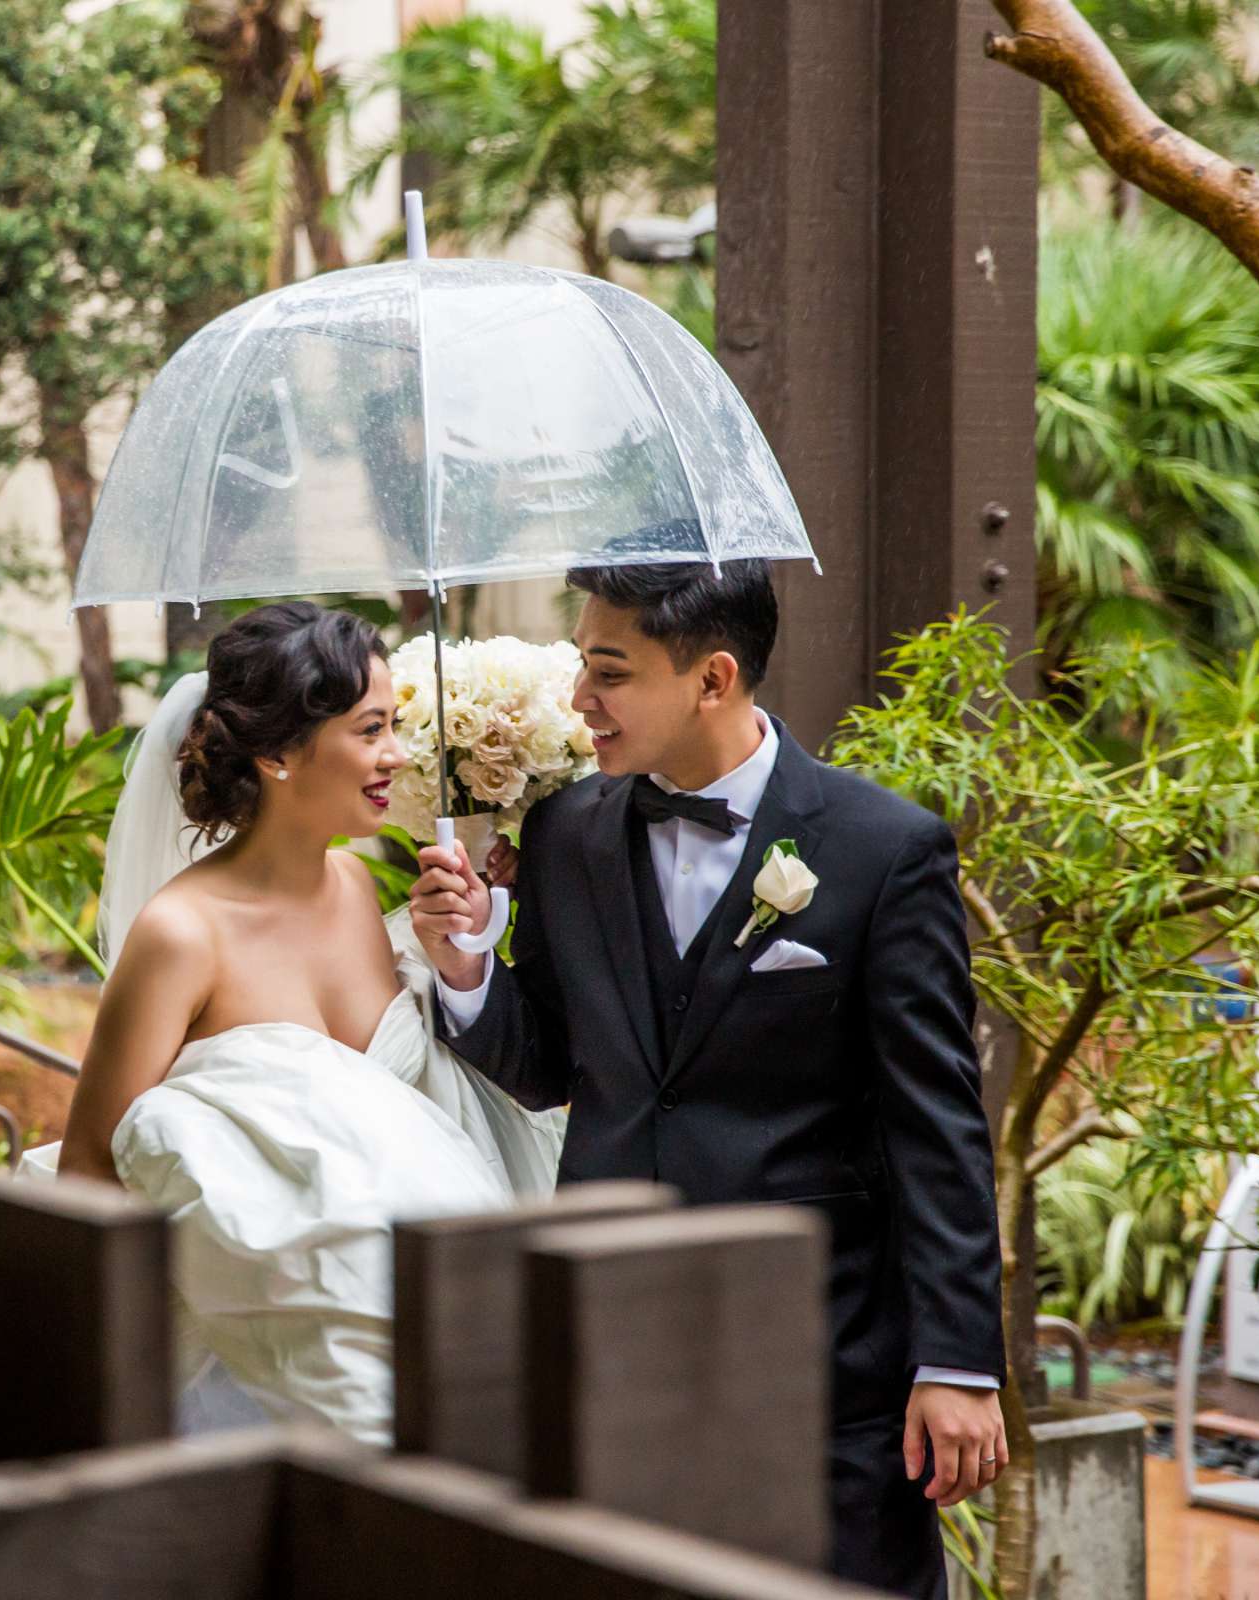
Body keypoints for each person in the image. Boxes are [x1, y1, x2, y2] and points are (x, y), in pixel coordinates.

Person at [410, 560, 1005, 1600]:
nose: (580, 702)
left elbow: (937, 1125)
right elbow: (552, 1065)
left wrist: (956, 1363)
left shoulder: (883, 850)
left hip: (822, 1364)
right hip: (610, 1349)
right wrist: (465, 968)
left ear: (713, 678)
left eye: (609, 672)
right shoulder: (565, 832)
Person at [34, 601, 563, 1444]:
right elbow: (92, 1168)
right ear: (278, 753)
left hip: (425, 1311)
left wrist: (462, 946)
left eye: (394, 726)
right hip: (258, 1361)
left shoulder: (358, 888)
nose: (397, 754)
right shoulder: (182, 936)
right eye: (371, 730)